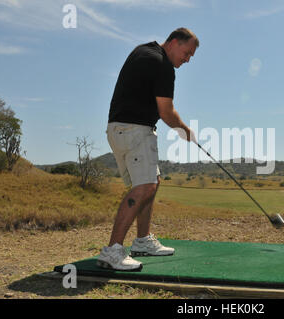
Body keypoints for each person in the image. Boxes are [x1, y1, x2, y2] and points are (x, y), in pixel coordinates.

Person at [97, 27, 199, 271]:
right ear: (174, 42)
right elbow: (166, 111)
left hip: (118, 128)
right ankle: (112, 251)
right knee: (145, 187)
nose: (187, 60)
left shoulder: (143, 51)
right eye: (187, 53)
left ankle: (142, 240)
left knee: (152, 181)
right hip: (135, 130)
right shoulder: (162, 64)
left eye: (191, 57)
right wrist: (185, 130)